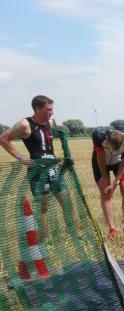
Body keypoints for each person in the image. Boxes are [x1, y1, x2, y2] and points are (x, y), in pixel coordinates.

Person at [0, 95, 70, 235]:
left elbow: (55, 138)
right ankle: (45, 238)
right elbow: (3, 139)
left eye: (52, 109)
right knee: (43, 206)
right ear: (38, 109)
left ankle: (75, 233)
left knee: (66, 201)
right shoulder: (24, 124)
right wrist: (20, 157)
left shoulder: (49, 122)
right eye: (49, 109)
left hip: (53, 169)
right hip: (37, 171)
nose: (52, 112)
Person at [91, 127, 124, 237]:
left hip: (118, 163)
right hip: (100, 162)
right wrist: (104, 176)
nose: (113, 151)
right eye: (110, 148)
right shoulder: (98, 136)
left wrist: (115, 183)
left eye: (116, 150)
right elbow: (100, 156)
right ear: (107, 140)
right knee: (105, 191)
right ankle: (112, 229)